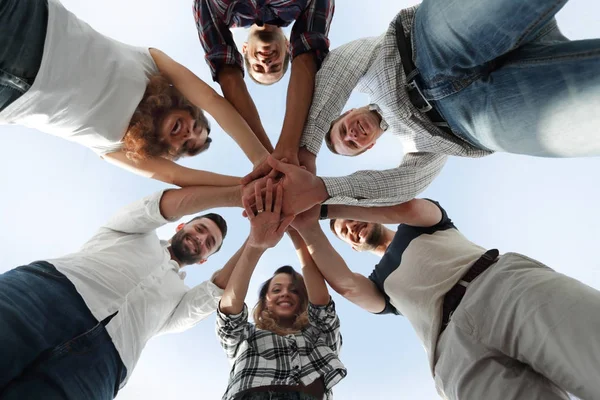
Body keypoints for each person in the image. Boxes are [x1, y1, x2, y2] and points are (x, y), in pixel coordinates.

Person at [243, 0, 600, 208]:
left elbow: (339, 67)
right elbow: (405, 186)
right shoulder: (418, 150)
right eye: (353, 144)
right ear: (370, 146)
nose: (352, 135)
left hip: (427, 47)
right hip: (473, 120)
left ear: (348, 111)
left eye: (341, 130)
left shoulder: (364, 73)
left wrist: (308, 147)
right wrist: (326, 190)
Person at [293, 198, 600, 399]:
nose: (349, 226)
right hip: (454, 352)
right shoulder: (379, 284)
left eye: (348, 216)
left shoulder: (417, 224)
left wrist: (325, 209)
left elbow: (412, 208)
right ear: (352, 248)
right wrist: (304, 226)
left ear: (365, 209)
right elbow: (347, 285)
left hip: (500, 288)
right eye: (343, 232)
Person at [0, 183, 248, 399]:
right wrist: (238, 194)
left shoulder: (181, 301)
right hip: (42, 297)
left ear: (205, 259)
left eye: (210, 243)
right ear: (181, 225)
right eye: (200, 228)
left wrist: (256, 239)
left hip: (100, 365)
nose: (200, 239)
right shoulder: (135, 230)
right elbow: (159, 207)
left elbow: (218, 290)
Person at [0, 0, 269, 187]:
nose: (188, 134)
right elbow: (213, 101)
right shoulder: (150, 64)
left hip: (9, 97)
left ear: (168, 151)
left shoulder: (122, 150)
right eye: (196, 125)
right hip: (27, 20)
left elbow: (177, 177)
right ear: (188, 106)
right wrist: (262, 161)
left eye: (187, 146)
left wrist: (247, 184)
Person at [217, 181, 346, 400]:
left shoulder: (319, 335)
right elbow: (229, 311)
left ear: (303, 299)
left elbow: (322, 305)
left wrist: (296, 228)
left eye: (295, 290)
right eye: (276, 289)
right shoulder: (247, 336)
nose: (285, 293)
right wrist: (256, 243)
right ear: (265, 300)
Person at [194, 0, 334, 172]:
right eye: (275, 66)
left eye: (258, 67)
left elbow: (226, 71)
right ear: (288, 47)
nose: (266, 63)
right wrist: (286, 151)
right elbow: (308, 51)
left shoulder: (220, 12)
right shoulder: (304, 5)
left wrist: (266, 160)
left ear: (244, 49)